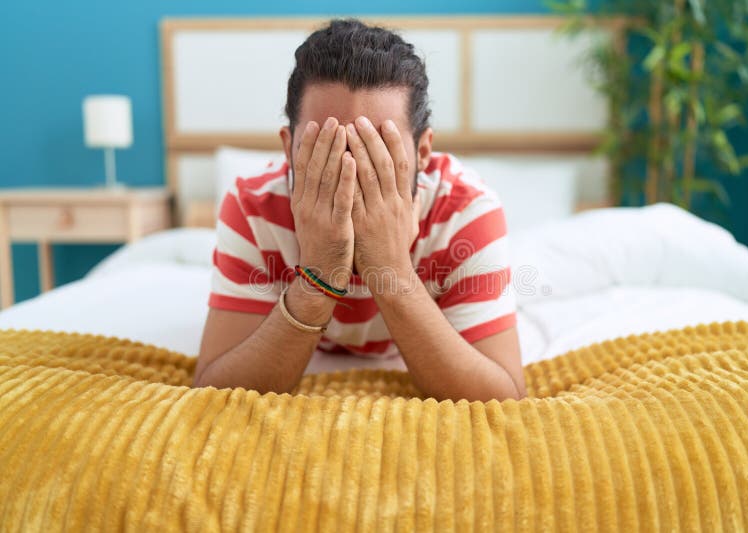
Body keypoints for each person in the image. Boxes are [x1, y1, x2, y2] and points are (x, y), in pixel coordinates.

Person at [192, 18, 525, 401]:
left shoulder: (467, 210)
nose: (351, 172)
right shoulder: (253, 206)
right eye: (325, 148)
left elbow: (504, 397)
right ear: (289, 149)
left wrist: (392, 271)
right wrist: (319, 275)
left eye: (377, 149)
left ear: (422, 153)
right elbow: (213, 391)